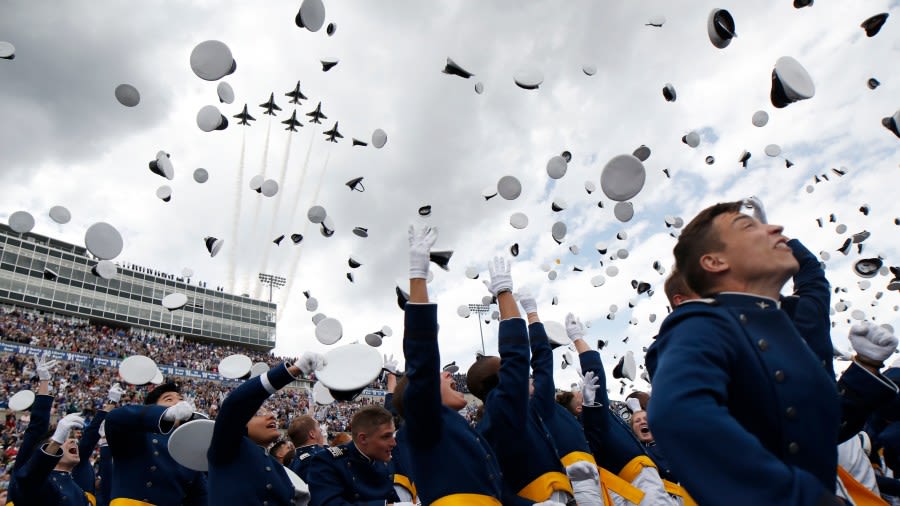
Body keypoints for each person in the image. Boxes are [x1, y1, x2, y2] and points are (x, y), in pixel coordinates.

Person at [646, 200, 896, 506]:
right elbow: (679, 416)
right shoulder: (702, 322)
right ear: (714, 262)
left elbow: (812, 432)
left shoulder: (774, 323)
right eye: (748, 226)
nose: (775, 228)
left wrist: (866, 367)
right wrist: (800, 498)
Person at [391, 225, 505, 505]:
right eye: (439, 376)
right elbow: (422, 361)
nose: (447, 373)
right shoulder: (426, 420)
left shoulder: (456, 426)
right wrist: (418, 277)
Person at [466, 255, 572, 506]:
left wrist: (533, 316)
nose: (522, 372)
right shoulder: (502, 407)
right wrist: (504, 292)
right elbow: (516, 354)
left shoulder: (508, 413)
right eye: (509, 368)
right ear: (502, 379)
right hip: (543, 498)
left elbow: (541, 369)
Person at [570, 314, 675, 506]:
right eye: (580, 394)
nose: (583, 390)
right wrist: (578, 340)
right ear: (580, 408)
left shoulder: (659, 446)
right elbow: (597, 385)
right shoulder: (594, 428)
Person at [519, 291, 602, 505]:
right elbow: (542, 361)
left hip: (593, 481)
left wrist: (590, 406)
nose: (533, 380)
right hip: (578, 484)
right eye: (529, 380)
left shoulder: (554, 414)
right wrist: (532, 315)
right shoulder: (538, 407)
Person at [207, 358, 320, 505]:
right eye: (259, 414)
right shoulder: (226, 448)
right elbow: (234, 405)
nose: (272, 415)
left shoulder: (277, 468)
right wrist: (291, 371)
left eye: (269, 412)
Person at [6, 354, 96, 505]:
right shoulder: (34, 479)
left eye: (70, 438)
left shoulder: (79, 492)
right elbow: (37, 428)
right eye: (64, 439)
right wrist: (44, 382)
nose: (73, 441)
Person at [105, 381, 208, 505]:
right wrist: (166, 415)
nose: (179, 403)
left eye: (181, 399)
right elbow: (114, 418)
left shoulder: (190, 451)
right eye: (169, 399)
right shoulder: (136, 434)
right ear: (152, 407)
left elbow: (202, 497)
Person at [307, 405, 401, 506]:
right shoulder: (327, 462)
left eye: (393, 435)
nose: (393, 443)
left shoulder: (384, 463)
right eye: (386, 436)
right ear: (363, 439)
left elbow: (394, 501)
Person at [288, 414, 327, 481]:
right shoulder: (317, 458)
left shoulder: (293, 462)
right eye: (318, 427)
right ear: (312, 434)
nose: (321, 430)